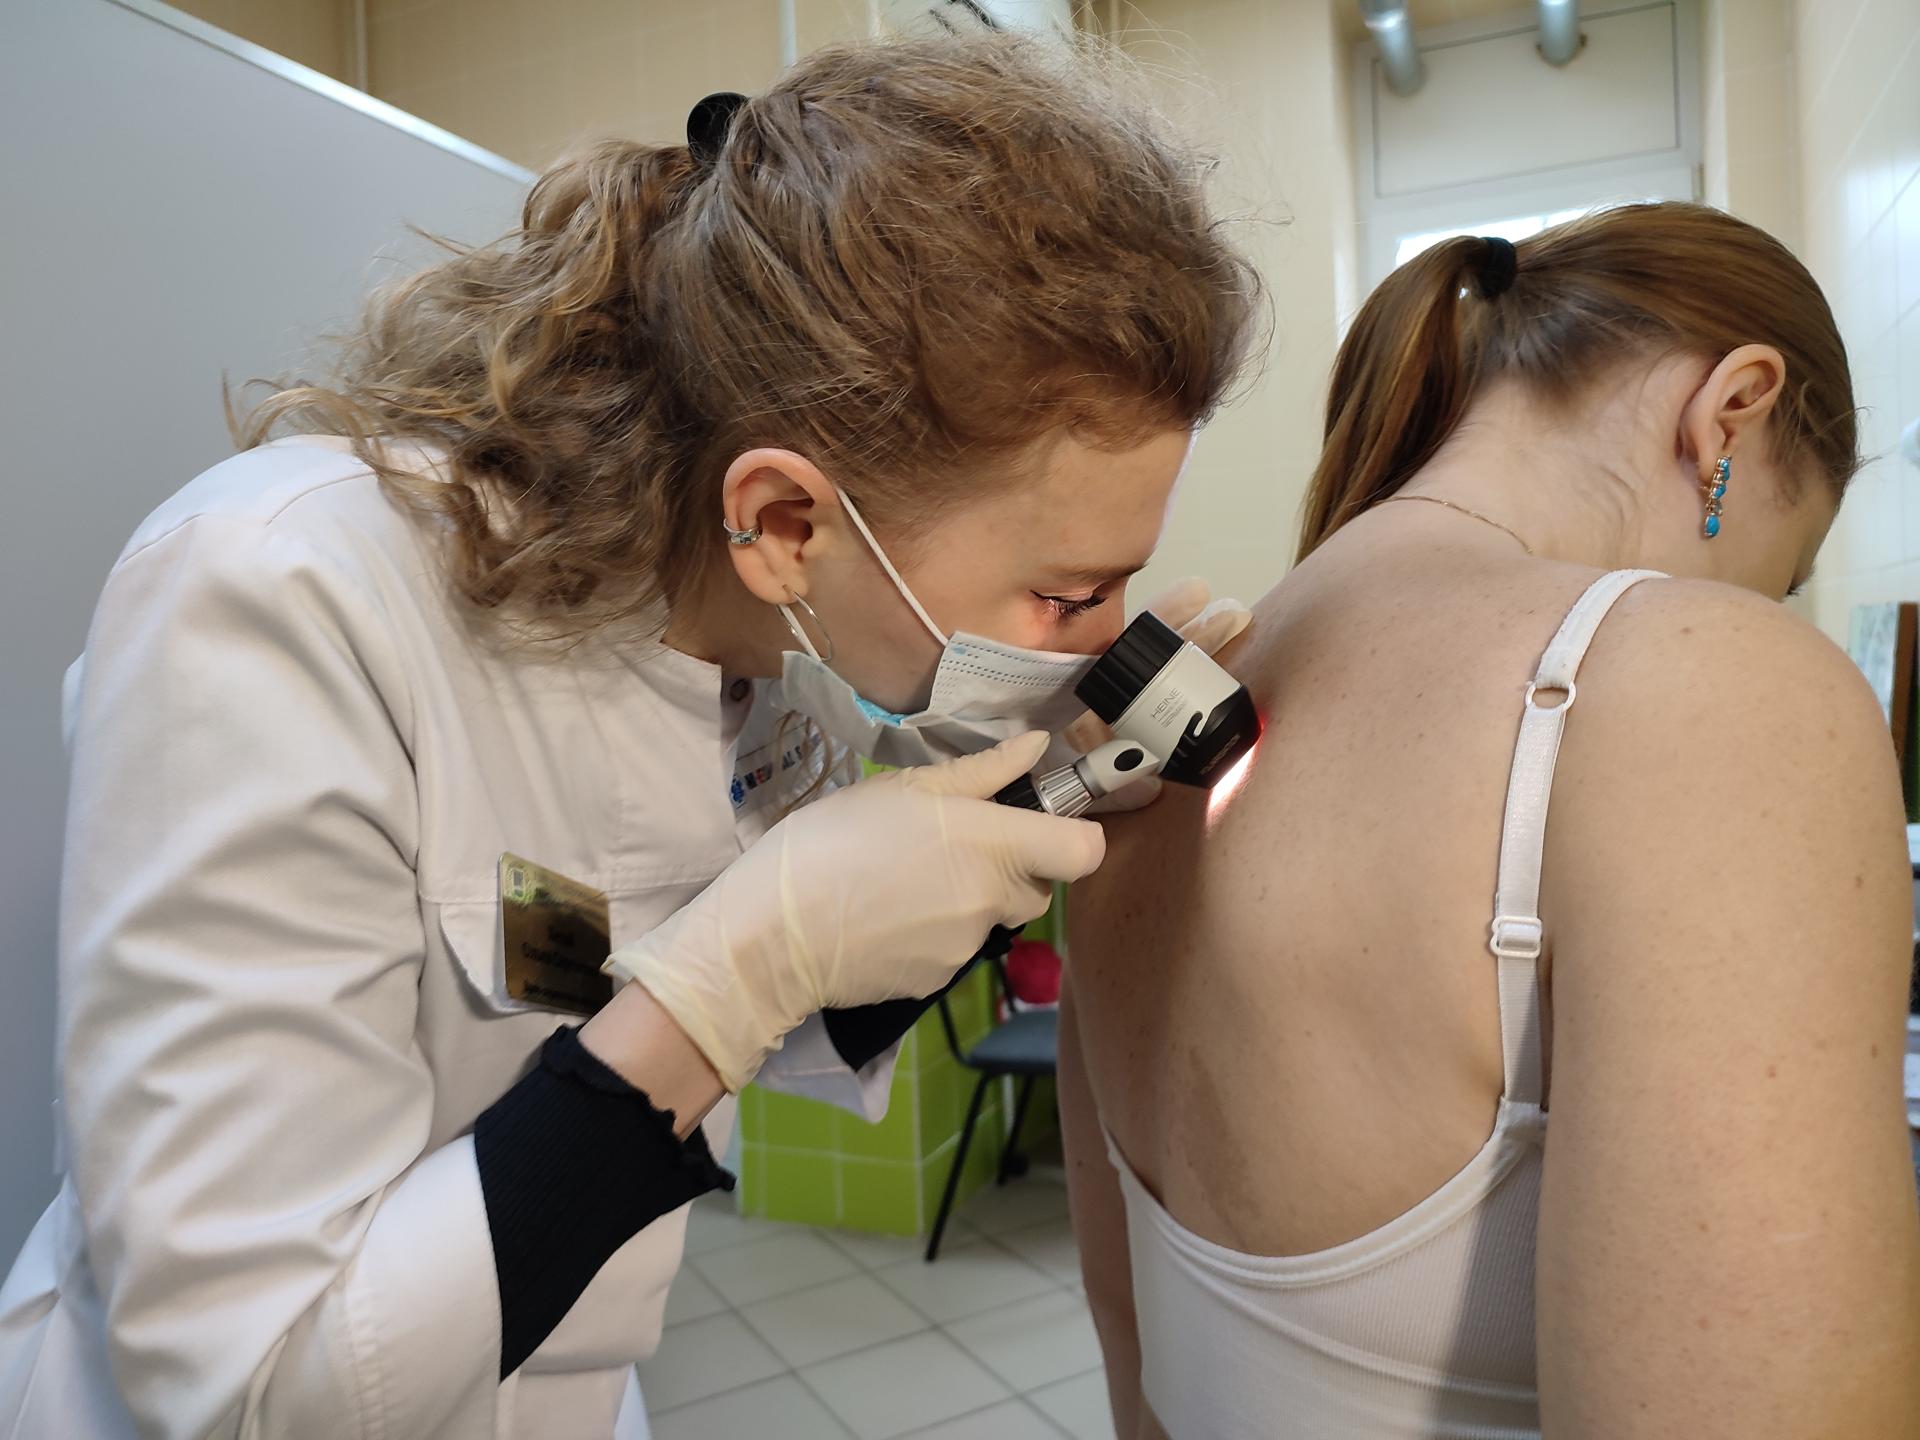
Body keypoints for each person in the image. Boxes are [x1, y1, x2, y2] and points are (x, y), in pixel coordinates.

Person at [0, 33, 1259, 1440]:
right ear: (785, 523)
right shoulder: (283, 593)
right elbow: (251, 1384)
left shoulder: (772, 654)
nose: (1097, 639)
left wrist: (1050, 798)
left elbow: (788, 1023)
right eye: (1070, 595)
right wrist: (734, 974)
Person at [1060, 202, 1920, 1439]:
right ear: (1729, 415)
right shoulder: (1705, 685)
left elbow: (1128, 1342)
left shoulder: (1178, 708)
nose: (1758, 603)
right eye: (1781, 569)